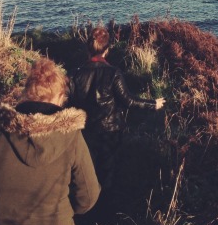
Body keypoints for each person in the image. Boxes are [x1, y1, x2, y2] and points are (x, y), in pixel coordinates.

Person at [0, 58, 100, 225]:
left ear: (26, 93)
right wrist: (63, 211)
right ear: (60, 97)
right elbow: (88, 197)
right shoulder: (71, 137)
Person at [69, 26, 165, 190]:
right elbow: (129, 101)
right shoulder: (114, 73)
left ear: (88, 49)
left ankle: (90, 206)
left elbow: (71, 105)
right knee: (108, 172)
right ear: (107, 49)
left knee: (88, 172)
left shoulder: (76, 74)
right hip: (111, 132)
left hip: (86, 132)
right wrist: (153, 104)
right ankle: (107, 204)